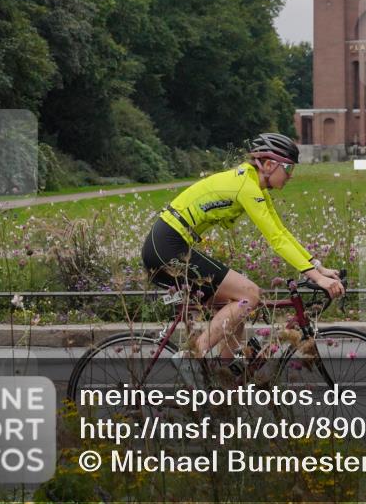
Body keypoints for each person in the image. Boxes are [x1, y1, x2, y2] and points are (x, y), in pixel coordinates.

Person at [141, 133, 344, 370]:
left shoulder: (255, 186)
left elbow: (281, 231)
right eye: (288, 168)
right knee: (249, 294)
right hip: (166, 247)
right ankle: (191, 357)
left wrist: (318, 267)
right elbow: (276, 240)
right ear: (268, 165)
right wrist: (317, 278)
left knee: (237, 305)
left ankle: (225, 378)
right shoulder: (246, 188)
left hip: (170, 245)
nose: (291, 175)